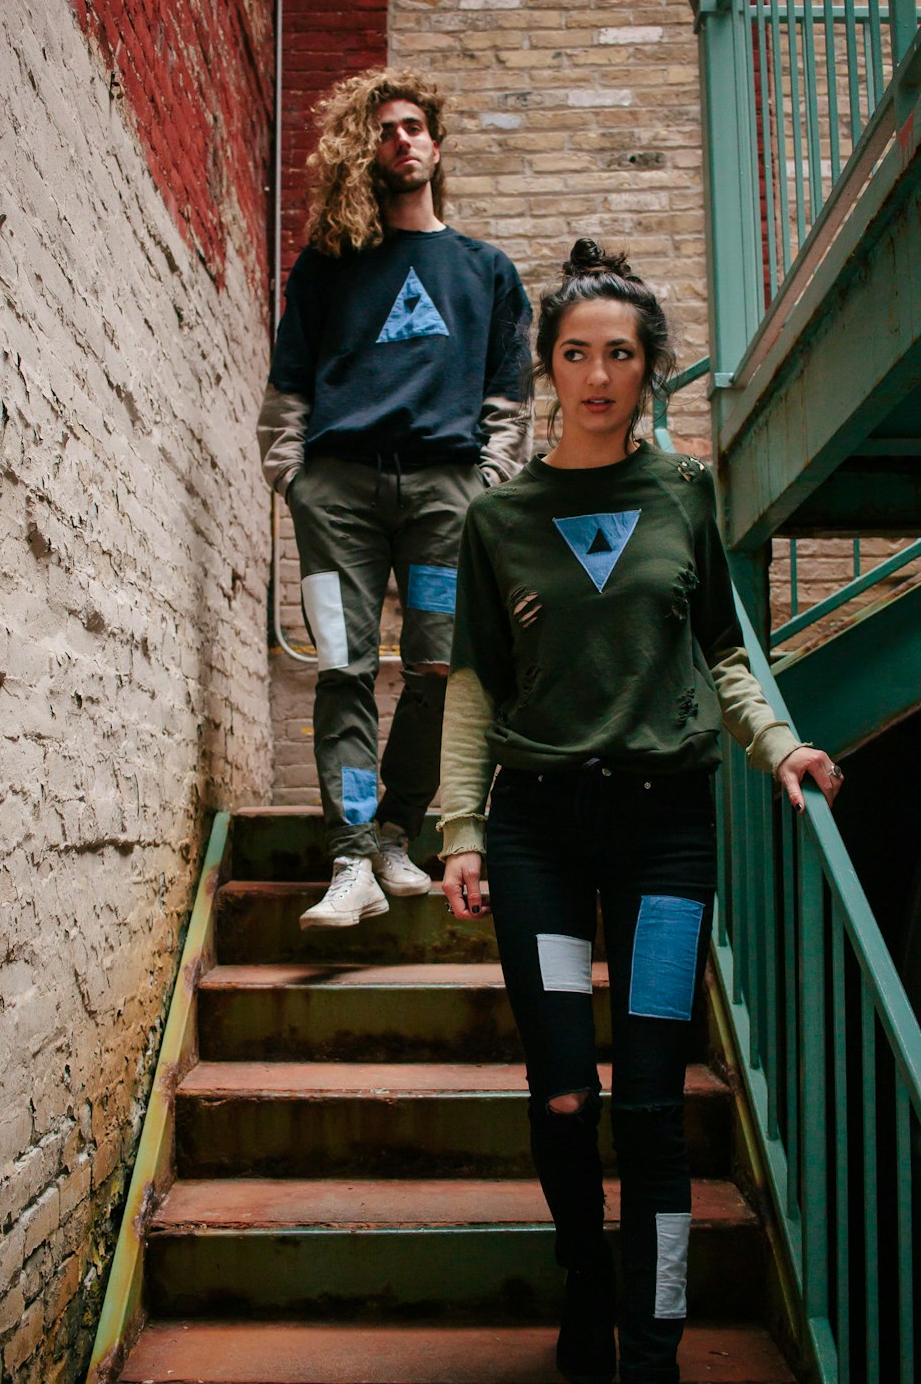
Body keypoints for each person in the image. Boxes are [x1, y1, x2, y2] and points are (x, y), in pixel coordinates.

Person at [438, 239, 844, 1384]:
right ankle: (584, 1281)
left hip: (666, 834)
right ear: (549, 369)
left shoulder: (682, 494)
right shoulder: (499, 518)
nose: (598, 373)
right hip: (540, 841)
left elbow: (720, 651)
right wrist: (459, 828)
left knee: (655, 1107)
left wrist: (779, 746)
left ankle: (652, 1335)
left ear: (648, 369)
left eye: (619, 353)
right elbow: (473, 687)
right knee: (566, 1095)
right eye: (575, 353)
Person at [258, 67, 532, 931]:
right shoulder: (329, 265)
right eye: (383, 130)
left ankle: (392, 835)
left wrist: (487, 487)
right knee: (341, 666)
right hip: (337, 491)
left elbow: (510, 397)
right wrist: (291, 476)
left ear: (436, 144)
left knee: (442, 670)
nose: (402, 139)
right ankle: (347, 859)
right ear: (361, 151)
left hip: (447, 494)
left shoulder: (485, 272)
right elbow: (288, 383)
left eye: (413, 126)